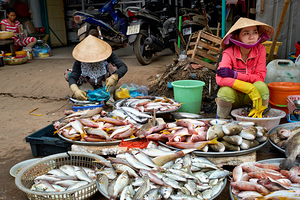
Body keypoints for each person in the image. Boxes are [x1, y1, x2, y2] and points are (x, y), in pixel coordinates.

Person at [215, 17, 275, 119]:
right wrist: (247, 87)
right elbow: (219, 79)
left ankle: (260, 116)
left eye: (255, 32)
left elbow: (260, 77)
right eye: (246, 33)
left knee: (261, 86)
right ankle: (223, 120)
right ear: (237, 37)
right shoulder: (229, 52)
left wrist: (235, 75)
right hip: (234, 98)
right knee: (225, 91)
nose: (252, 37)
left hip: (253, 99)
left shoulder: (260, 49)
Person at [66, 35, 127, 106]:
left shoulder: (107, 53)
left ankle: (108, 94)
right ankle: (86, 91)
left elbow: (123, 67)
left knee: (113, 67)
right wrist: (75, 90)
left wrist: (114, 77)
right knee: (68, 73)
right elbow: (73, 76)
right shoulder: (80, 59)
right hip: (88, 82)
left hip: (104, 82)